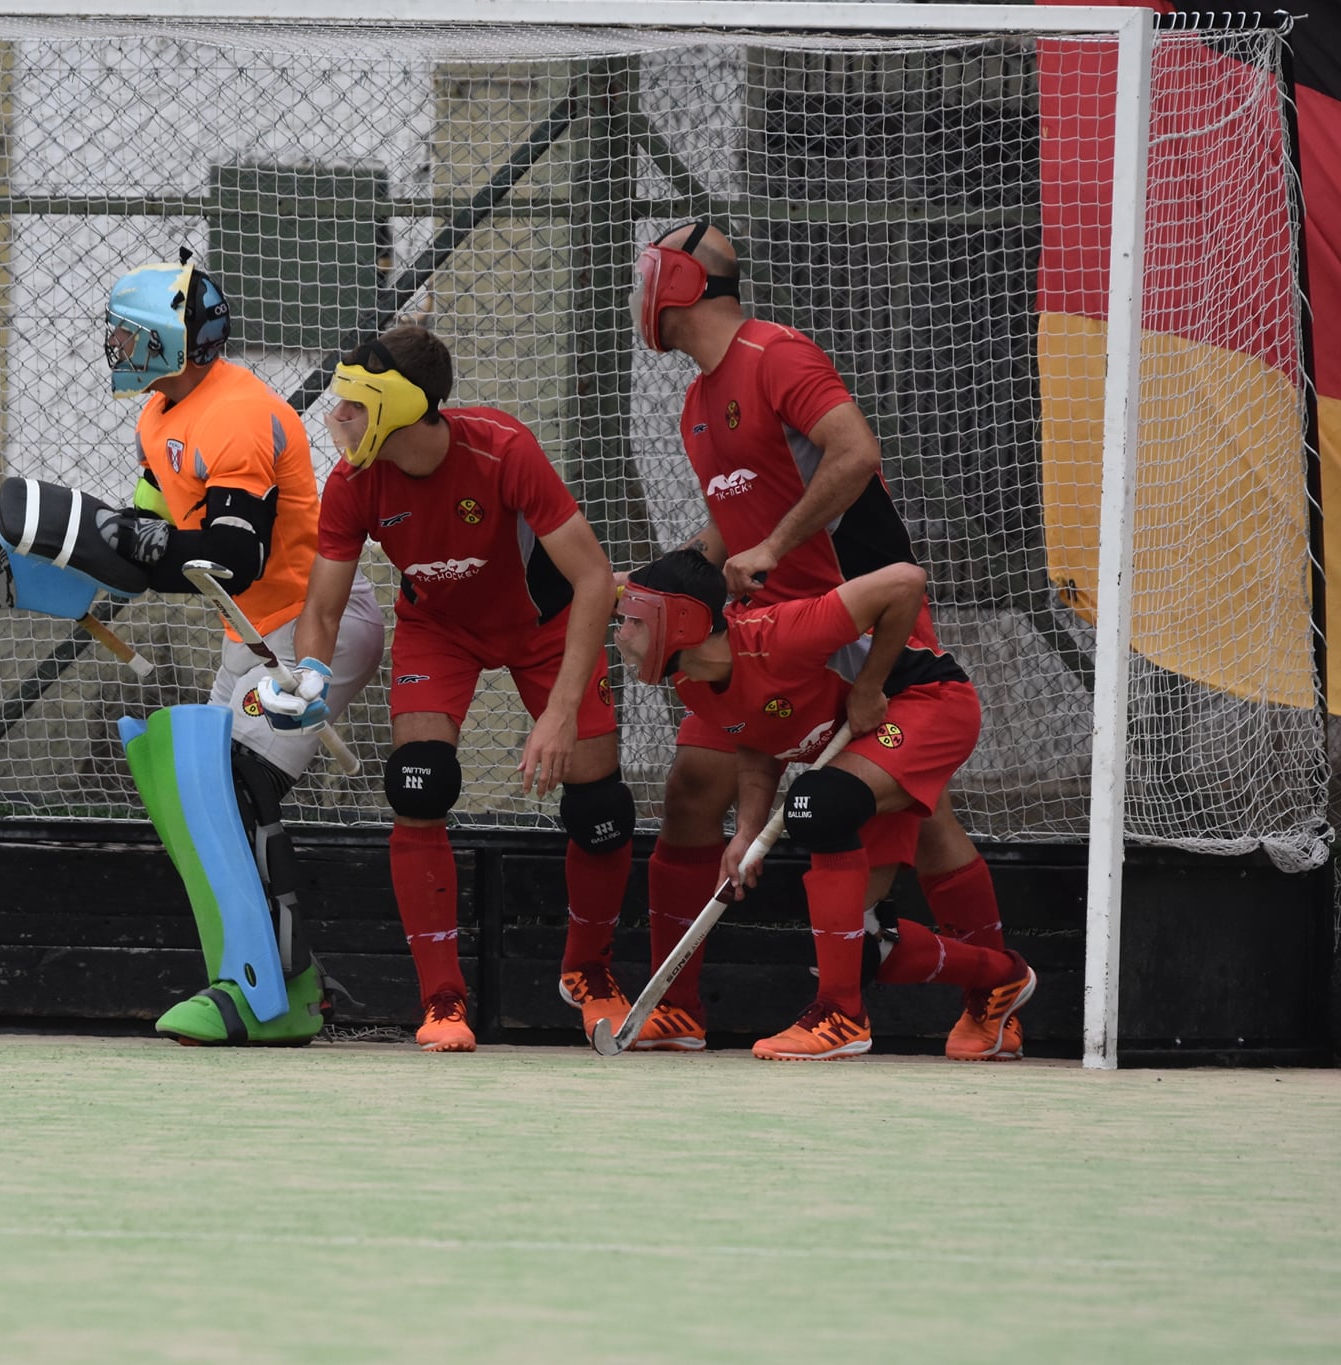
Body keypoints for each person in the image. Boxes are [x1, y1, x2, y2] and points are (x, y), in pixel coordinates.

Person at [0, 251, 385, 1046]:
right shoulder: (158, 414)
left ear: (163, 339)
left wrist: (116, 537)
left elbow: (230, 557)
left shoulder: (235, 416)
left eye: (125, 334)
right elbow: (145, 544)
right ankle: (262, 979)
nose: (114, 346)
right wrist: (40, 563)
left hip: (313, 623)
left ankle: (280, 990)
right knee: (193, 790)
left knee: (234, 784)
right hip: (248, 635)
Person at [629, 220, 1022, 1060]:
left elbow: (855, 455)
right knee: (700, 782)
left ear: (681, 281)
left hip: (855, 626)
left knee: (916, 820)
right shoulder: (697, 403)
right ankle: (682, 1005)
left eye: (645, 274)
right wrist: (666, 581)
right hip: (763, 637)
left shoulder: (779, 356)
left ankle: (992, 997)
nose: (637, 293)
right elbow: (737, 514)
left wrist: (772, 548)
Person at [262, 324, 639, 1054]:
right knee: (418, 782)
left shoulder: (503, 450)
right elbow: (322, 609)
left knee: (601, 806)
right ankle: (441, 996)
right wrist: (308, 674)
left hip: (545, 625)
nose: (337, 418)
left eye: (354, 404)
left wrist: (560, 713)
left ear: (402, 405)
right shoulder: (353, 482)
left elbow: (595, 577)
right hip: (440, 629)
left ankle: (587, 973)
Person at [615, 548, 1036, 1060]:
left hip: (928, 703)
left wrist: (868, 687)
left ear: (680, 622)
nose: (620, 635)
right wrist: (746, 832)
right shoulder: (692, 682)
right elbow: (755, 741)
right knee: (866, 949)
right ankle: (1001, 979)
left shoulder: (782, 633)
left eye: (634, 619)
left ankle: (841, 1014)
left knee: (817, 805)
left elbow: (905, 580)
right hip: (864, 752)